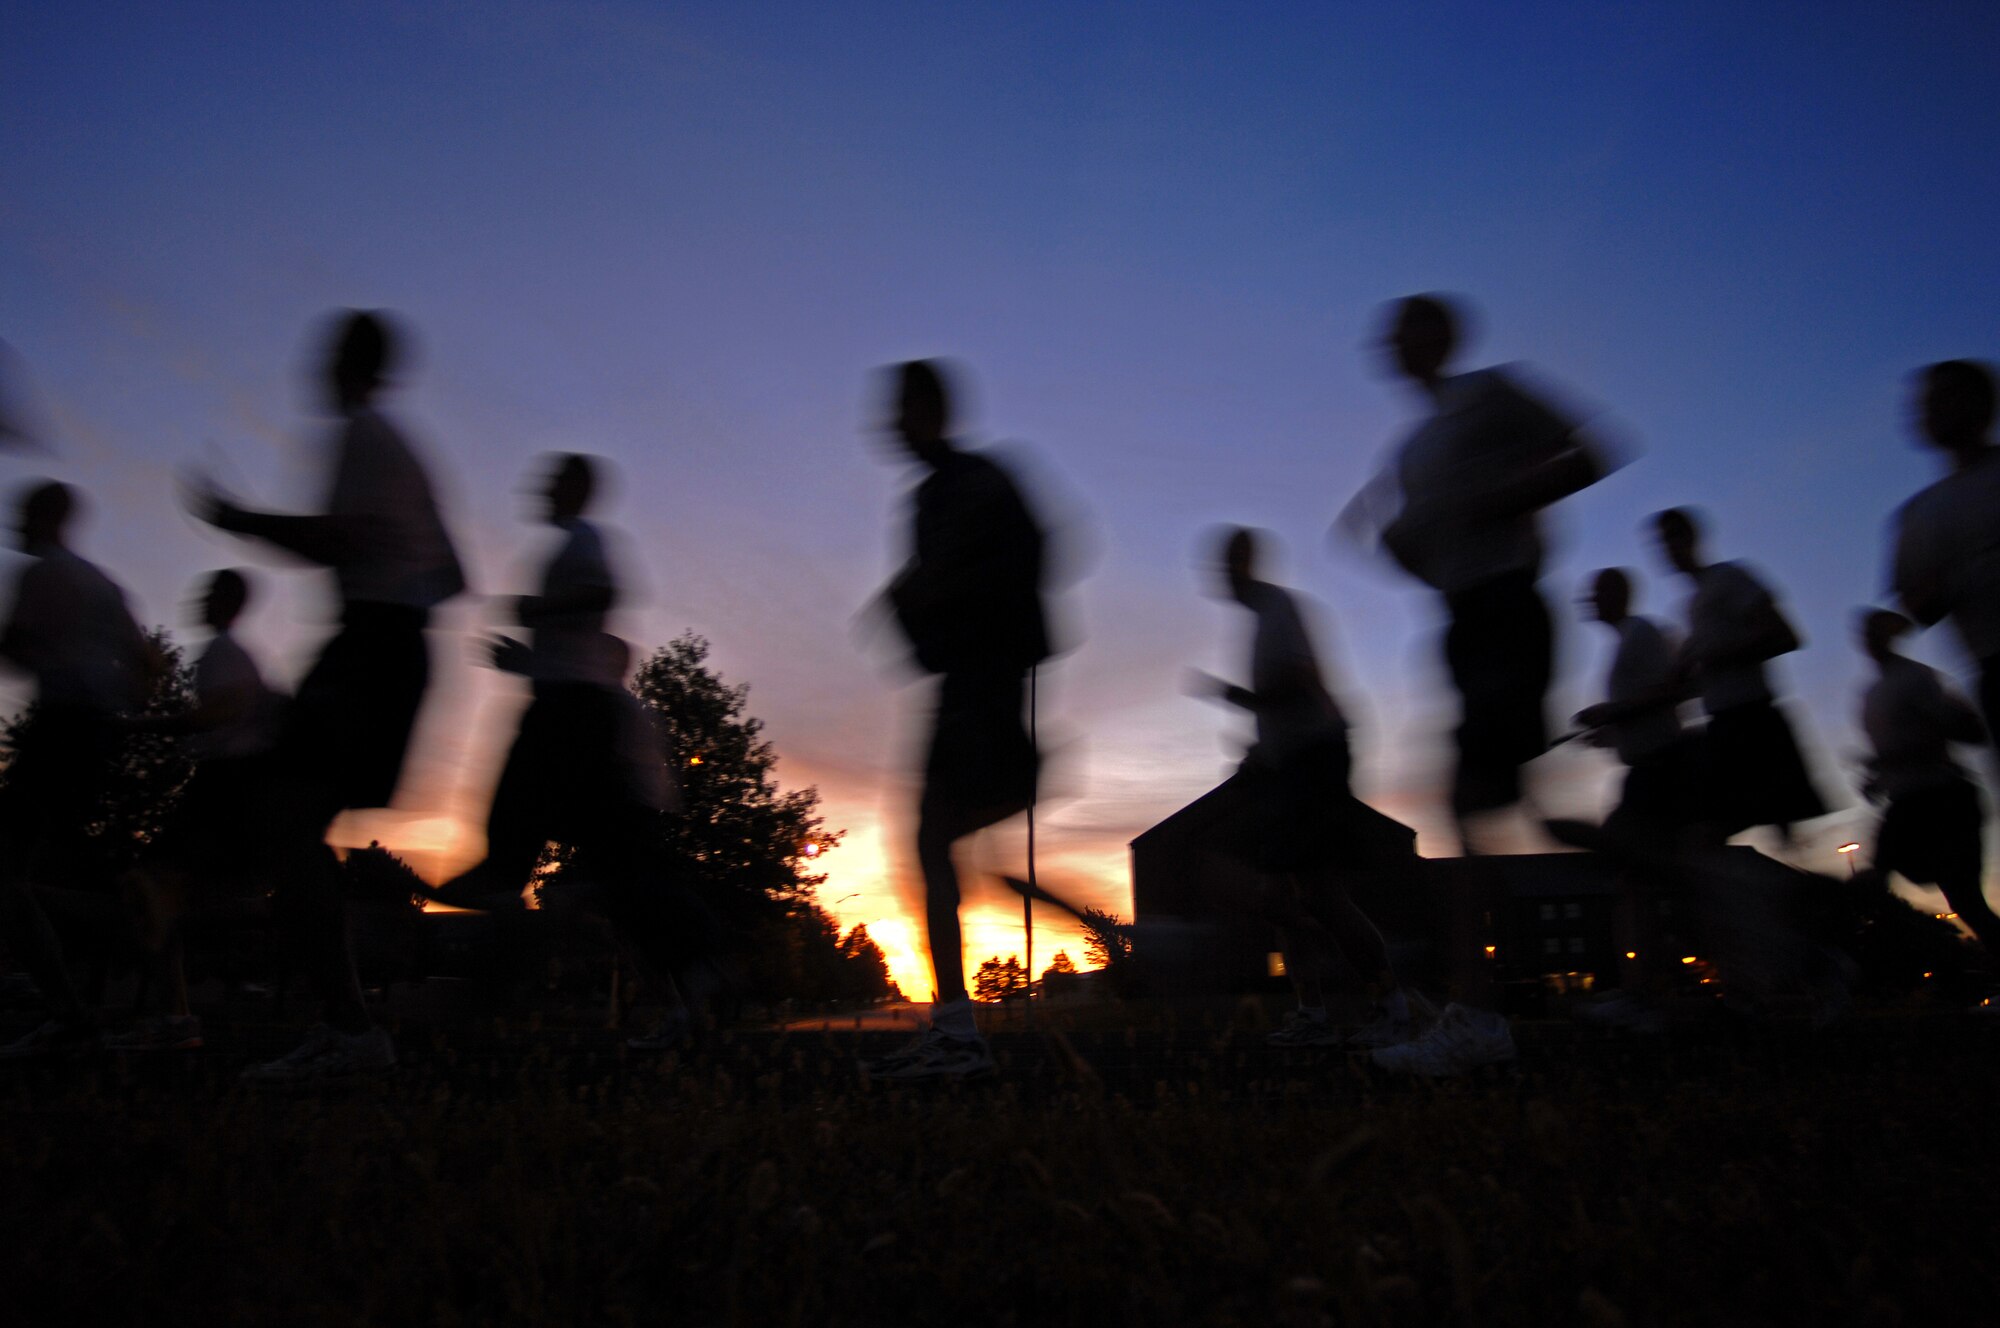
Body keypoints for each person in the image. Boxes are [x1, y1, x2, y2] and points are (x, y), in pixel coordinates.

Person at [188, 309, 465, 1082]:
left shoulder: (365, 436)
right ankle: (343, 1021)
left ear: (345, 362)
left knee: (281, 819)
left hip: (372, 646)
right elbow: (453, 575)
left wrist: (236, 517)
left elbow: (338, 541)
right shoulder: (400, 448)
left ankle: (348, 1027)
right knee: (287, 823)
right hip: (388, 646)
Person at [426, 454, 705, 1047]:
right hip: (569, 717)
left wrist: (533, 610)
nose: (542, 489)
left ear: (577, 489)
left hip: (566, 719)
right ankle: (690, 984)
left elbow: (600, 595)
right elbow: (572, 652)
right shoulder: (576, 562)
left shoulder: (584, 542)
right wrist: (523, 659)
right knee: (621, 878)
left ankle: (493, 898)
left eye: (553, 481)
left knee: (524, 833)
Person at [1340, 294, 1612, 853]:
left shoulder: (1491, 393)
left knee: (1484, 798)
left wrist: (1498, 500)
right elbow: (1432, 564)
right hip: (1462, 620)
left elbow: (1590, 456)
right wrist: (1397, 547)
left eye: (1404, 331)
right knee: (1499, 804)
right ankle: (1657, 866)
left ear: (1441, 336)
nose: (1392, 345)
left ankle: (1657, 868)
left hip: (1508, 606)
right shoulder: (1409, 455)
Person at [864, 360, 1053, 1080]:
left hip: (984, 679)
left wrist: (923, 593)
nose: (891, 424)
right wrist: (912, 604)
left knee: (932, 836)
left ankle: (956, 1033)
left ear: (934, 411)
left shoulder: (973, 483)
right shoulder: (940, 492)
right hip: (968, 680)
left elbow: (1020, 557)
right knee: (931, 839)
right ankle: (954, 1028)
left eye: (903, 408)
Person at [1187, 527, 1429, 1050]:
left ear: (1246, 565)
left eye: (1228, 564)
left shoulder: (1277, 610)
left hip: (1314, 761)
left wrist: (1237, 698)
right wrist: (1261, 754)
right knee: (1280, 896)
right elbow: (1289, 701)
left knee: (1318, 892)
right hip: (1295, 762)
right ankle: (1315, 1013)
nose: (1220, 576)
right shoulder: (1262, 620)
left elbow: (1297, 683)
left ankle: (1390, 1004)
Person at [0, 481, 157, 1058]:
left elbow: (15, 647)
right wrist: (122, 709)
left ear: (46, 516)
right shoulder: (102, 583)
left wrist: (48, 661)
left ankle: (68, 1011)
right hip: (96, 736)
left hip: (61, 729)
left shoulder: (42, 575)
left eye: (23, 511)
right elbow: (145, 662)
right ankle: (70, 978)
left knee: (9, 868)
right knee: (64, 863)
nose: (15, 521)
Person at [109, 569, 286, 1052]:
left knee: (151, 889)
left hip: (223, 787)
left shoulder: (224, 654)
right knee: (168, 896)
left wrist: (140, 726)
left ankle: (177, 1014)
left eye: (209, 592)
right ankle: (177, 1011)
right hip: (230, 788)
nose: (198, 599)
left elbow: (218, 714)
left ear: (227, 601)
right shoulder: (235, 655)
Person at [1650, 507, 1827, 842]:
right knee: (1709, 832)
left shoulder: (1730, 578)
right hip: (1723, 726)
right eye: (1661, 541)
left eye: (1674, 535)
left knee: (1720, 832)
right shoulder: (1692, 607)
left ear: (1694, 537)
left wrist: (1718, 656)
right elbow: (1696, 678)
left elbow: (1785, 635)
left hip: (1752, 721)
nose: (1667, 547)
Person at [1855, 608, 1996, 954]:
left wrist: (1894, 760)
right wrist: (1881, 775)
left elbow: (1966, 731)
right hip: (1910, 799)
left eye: (1874, 633)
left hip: (1941, 797)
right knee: (1881, 881)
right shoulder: (1873, 694)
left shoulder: (1915, 679)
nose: (1869, 641)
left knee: (1963, 899)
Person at [1890, 360, 2000, 767]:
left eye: (1942, 397)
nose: (1927, 409)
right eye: (1924, 402)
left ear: (1982, 403)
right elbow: (1919, 607)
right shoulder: (1919, 515)